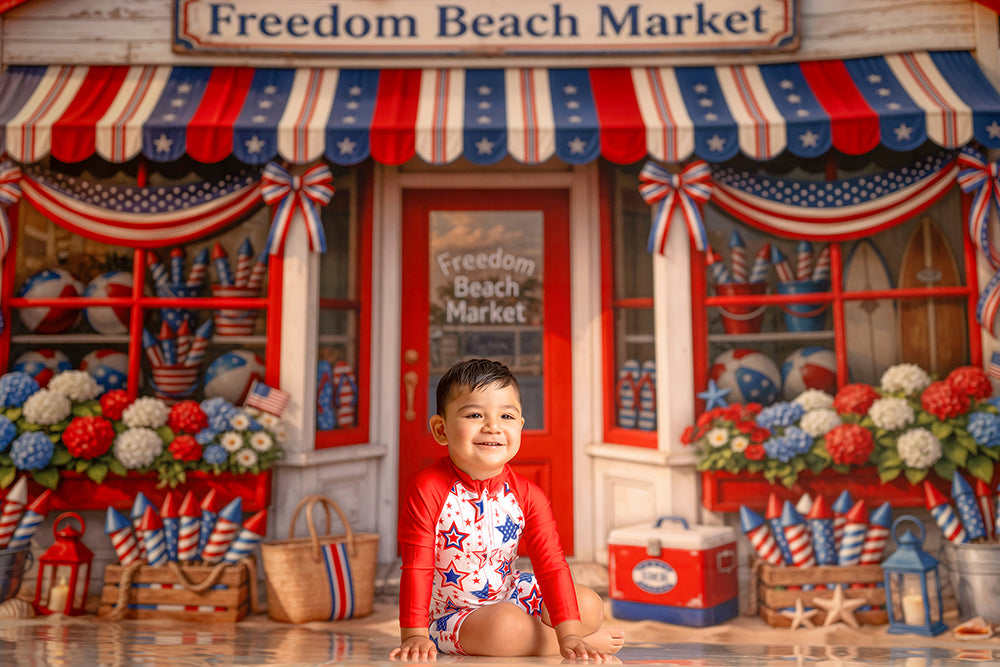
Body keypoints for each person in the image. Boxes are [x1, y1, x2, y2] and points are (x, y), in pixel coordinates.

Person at [390, 358, 625, 662]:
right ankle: (566, 642)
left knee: (589, 605)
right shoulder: (428, 489)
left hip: (510, 593)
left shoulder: (528, 494)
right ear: (441, 429)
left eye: (506, 416)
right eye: (475, 414)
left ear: (520, 426)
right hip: (452, 616)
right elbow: (416, 566)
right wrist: (415, 635)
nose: (493, 427)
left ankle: (562, 639)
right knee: (505, 628)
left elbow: (551, 565)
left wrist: (570, 634)